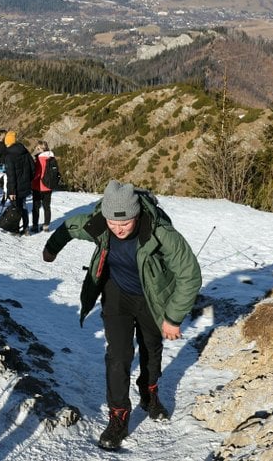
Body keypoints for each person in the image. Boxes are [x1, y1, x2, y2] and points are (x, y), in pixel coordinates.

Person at [42, 180, 202, 451]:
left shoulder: (159, 232)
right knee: (118, 355)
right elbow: (70, 227)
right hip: (117, 294)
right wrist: (51, 249)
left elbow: (190, 274)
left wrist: (173, 318)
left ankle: (149, 393)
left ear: (136, 215)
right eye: (113, 223)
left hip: (152, 297)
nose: (118, 229)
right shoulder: (100, 224)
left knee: (151, 349)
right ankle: (118, 416)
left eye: (125, 223)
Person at [0, 131, 34, 234]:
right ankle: (26, 228)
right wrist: (28, 180)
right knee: (23, 206)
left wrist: (11, 191)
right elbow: (33, 167)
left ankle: (14, 228)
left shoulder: (9, 156)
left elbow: (11, 176)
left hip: (15, 187)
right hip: (25, 184)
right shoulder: (24, 151)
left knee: (15, 208)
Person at [31, 140, 56, 232]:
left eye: (37, 147)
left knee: (36, 207)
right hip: (48, 186)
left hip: (38, 186)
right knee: (47, 207)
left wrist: (31, 181)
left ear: (40, 148)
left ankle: (35, 226)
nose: (36, 149)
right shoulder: (52, 158)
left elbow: (37, 174)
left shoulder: (39, 159)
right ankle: (46, 226)